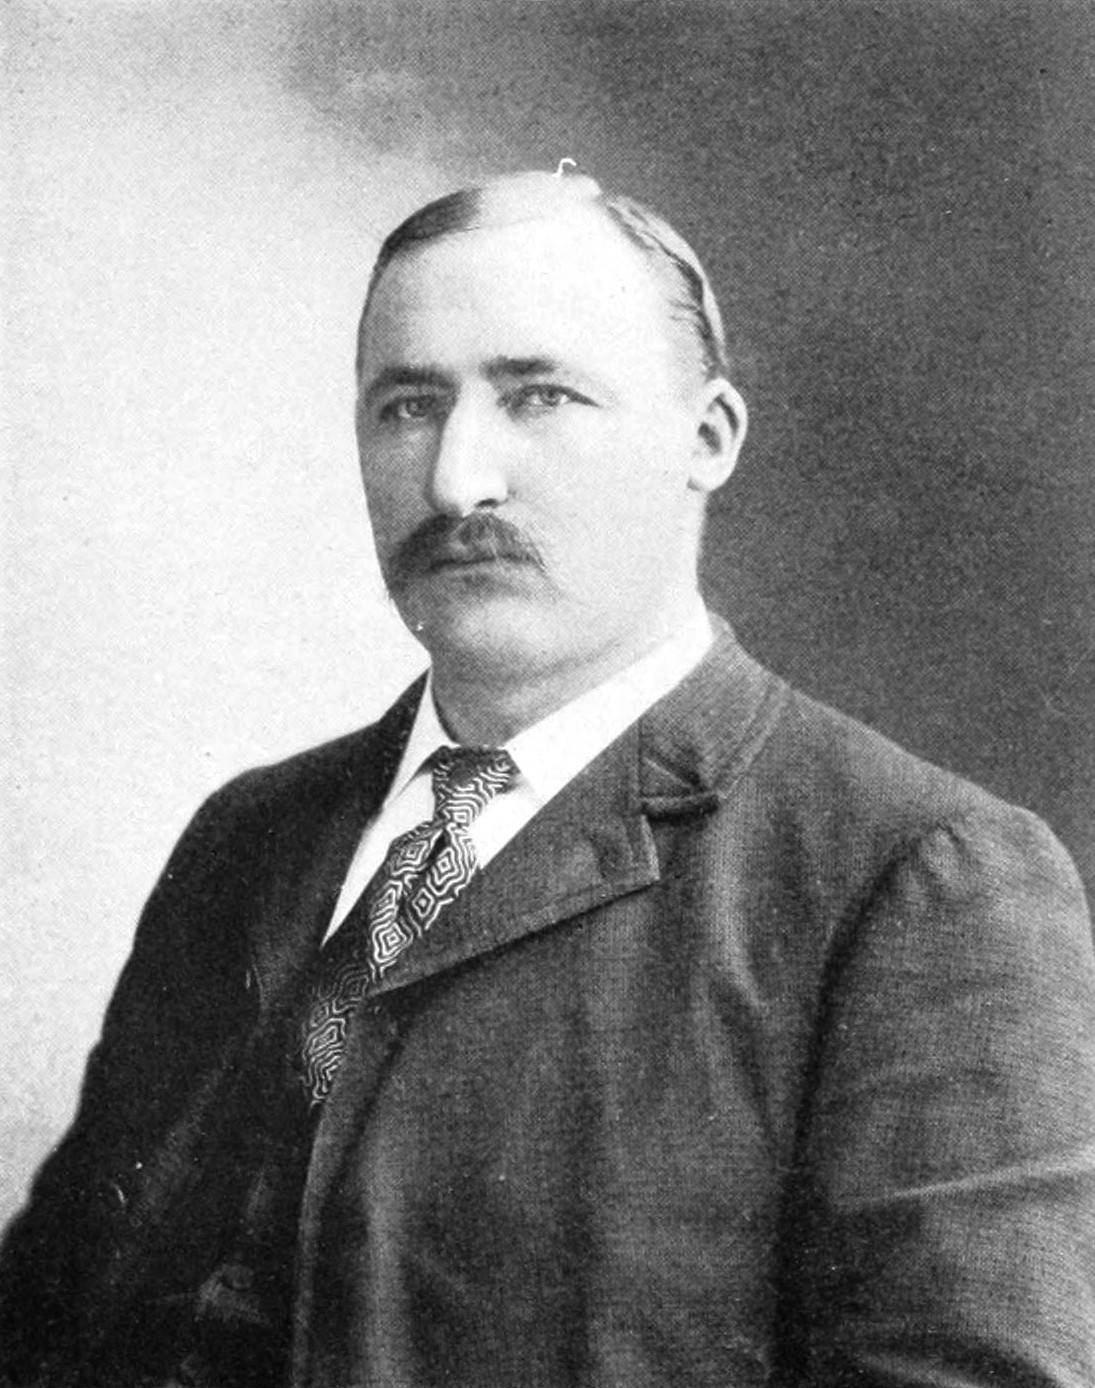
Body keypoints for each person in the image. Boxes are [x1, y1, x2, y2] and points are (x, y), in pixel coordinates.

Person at [2, 170, 1094, 1388]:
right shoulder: (249, 835)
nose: (456, 479)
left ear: (706, 438)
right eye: (408, 406)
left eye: (541, 396)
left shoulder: (914, 880)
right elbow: (50, 1313)